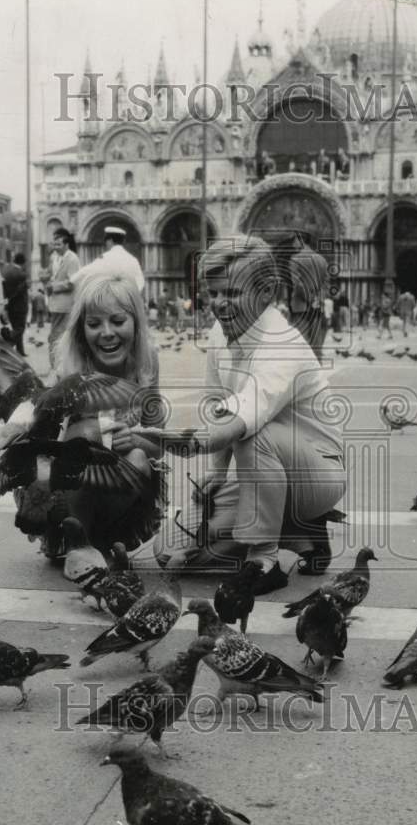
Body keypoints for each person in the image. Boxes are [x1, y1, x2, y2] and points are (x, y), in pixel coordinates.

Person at [142, 235, 346, 596]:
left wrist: (185, 442)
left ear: (266, 292)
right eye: (214, 293)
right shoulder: (221, 331)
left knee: (255, 432)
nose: (219, 304)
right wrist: (217, 472)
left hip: (317, 472)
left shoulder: (281, 343)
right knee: (172, 554)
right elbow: (218, 402)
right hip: (269, 470)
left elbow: (243, 415)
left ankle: (263, 560)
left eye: (232, 293)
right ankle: (301, 533)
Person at [50, 272, 164, 554]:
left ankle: (113, 536)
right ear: (80, 330)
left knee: (138, 459)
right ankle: (75, 538)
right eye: (93, 324)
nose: (107, 332)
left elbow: (160, 443)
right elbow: (43, 442)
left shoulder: (147, 362)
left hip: (123, 483)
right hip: (72, 484)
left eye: (117, 321)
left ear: (136, 324)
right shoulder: (69, 367)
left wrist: (137, 440)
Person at [73, 226, 144, 292]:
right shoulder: (132, 259)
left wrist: (72, 280)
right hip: (129, 300)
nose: (106, 244)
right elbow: (140, 281)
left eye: (106, 241)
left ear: (110, 240)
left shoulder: (106, 257)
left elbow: (88, 270)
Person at [47, 227, 81, 366]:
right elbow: (52, 275)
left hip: (66, 304)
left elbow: (73, 282)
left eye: (58, 244)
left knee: (58, 336)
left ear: (66, 244)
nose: (55, 247)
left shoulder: (72, 258)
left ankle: (57, 366)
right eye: (54, 244)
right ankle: (57, 364)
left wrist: (54, 287)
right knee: (56, 336)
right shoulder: (54, 257)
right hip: (55, 304)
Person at [2, 252, 29, 356]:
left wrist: (7, 302)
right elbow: (21, 290)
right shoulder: (22, 275)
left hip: (10, 305)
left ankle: (20, 350)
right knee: (20, 328)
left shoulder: (6, 272)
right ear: (23, 263)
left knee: (16, 327)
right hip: (20, 305)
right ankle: (7, 346)